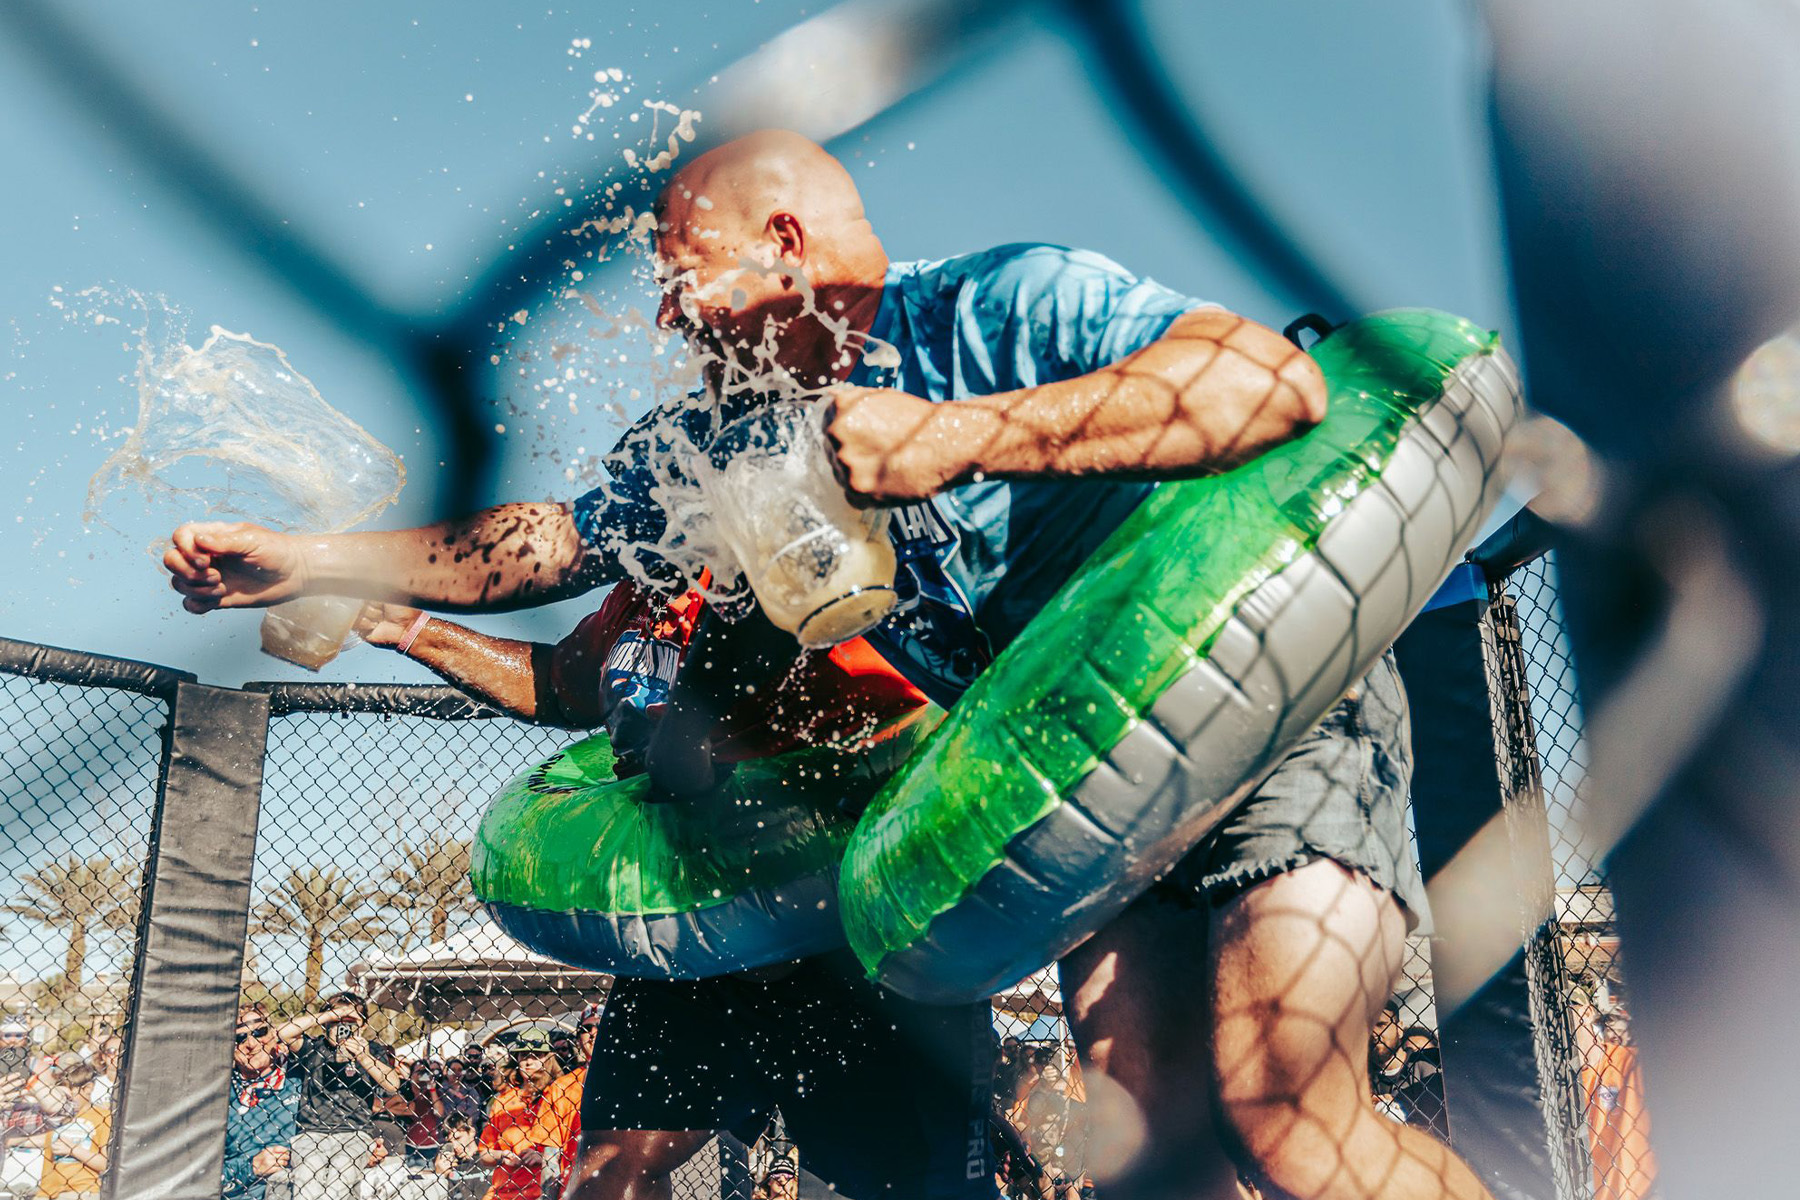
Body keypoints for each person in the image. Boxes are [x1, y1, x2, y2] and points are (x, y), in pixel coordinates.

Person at [164, 128, 1489, 1200]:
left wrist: (964, 436)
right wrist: (324, 560)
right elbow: (550, 543)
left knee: (1286, 1110)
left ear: (783, 246)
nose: (674, 322)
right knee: (1153, 1134)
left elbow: (1272, 386)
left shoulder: (996, 305)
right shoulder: (722, 439)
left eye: (685, 282)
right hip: (1092, 779)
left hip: (1265, 698)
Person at [345, 573, 987, 1200]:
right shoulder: (644, 586)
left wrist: (689, 750)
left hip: (853, 938)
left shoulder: (817, 561)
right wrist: (410, 628)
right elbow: (559, 683)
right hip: (693, 938)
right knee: (612, 1163)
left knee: (896, 1181)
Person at [275, 993, 404, 1200]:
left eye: (351, 1022)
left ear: (363, 1025)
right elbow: (282, 1033)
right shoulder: (314, 1047)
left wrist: (363, 1056)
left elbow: (392, 1084)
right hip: (312, 1131)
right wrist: (328, 1015)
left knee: (341, 1180)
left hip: (355, 1132)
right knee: (306, 1179)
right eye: (336, 1021)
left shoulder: (372, 1050)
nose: (342, 1026)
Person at [224, 1003, 303, 1200]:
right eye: (240, 1038)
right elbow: (201, 1176)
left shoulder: (300, 1077)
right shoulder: (221, 1096)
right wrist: (251, 1167)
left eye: (259, 1032)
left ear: (274, 1035)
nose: (250, 1044)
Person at [475, 1030, 561, 1200]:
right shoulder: (504, 1100)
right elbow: (485, 1153)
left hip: (545, 1191)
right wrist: (502, 1156)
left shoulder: (559, 1094)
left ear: (548, 1059)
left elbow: (576, 1147)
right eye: (523, 1056)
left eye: (536, 1056)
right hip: (504, 1191)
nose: (529, 1062)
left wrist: (545, 1156)